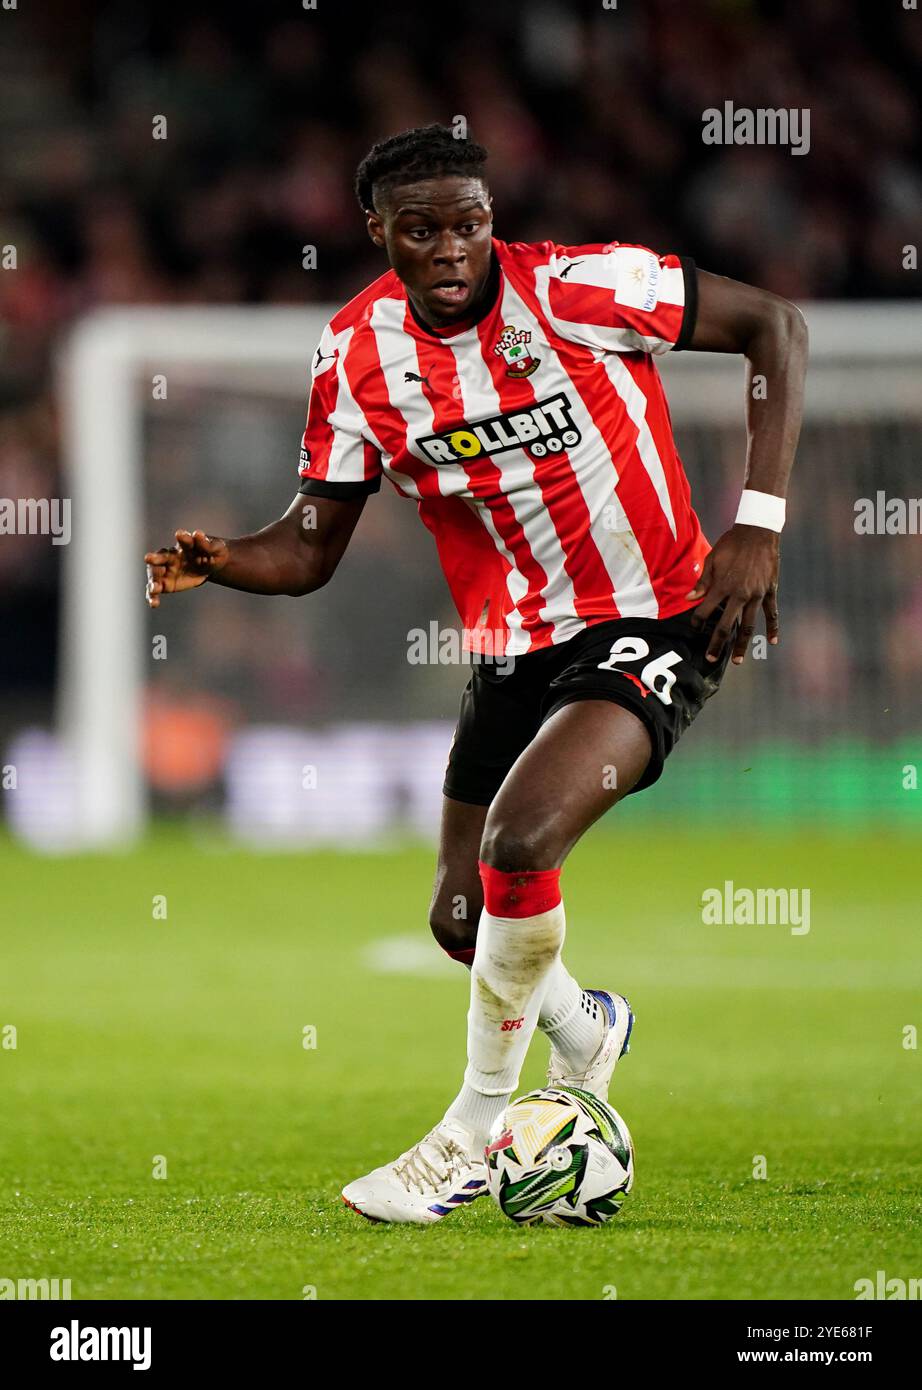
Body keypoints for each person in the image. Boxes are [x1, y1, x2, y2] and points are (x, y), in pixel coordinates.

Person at [144, 124, 807, 1223]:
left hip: (656, 612)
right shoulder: (356, 357)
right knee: (463, 916)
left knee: (519, 840)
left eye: (469, 222)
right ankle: (588, 1031)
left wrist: (759, 522)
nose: (453, 247)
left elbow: (773, 326)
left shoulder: (585, 288)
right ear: (378, 234)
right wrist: (223, 559)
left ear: (491, 218)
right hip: (511, 644)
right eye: (422, 229)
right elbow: (309, 547)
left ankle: (467, 1134)